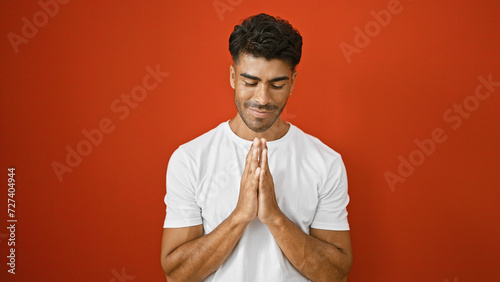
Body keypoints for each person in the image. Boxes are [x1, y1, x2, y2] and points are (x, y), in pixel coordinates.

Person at [160, 13, 352, 282]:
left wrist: (274, 217)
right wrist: (240, 216)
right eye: (250, 82)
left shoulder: (325, 162)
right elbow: (177, 275)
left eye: (277, 84)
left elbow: (335, 274)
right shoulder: (189, 159)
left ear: (293, 82)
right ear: (232, 76)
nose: (262, 99)